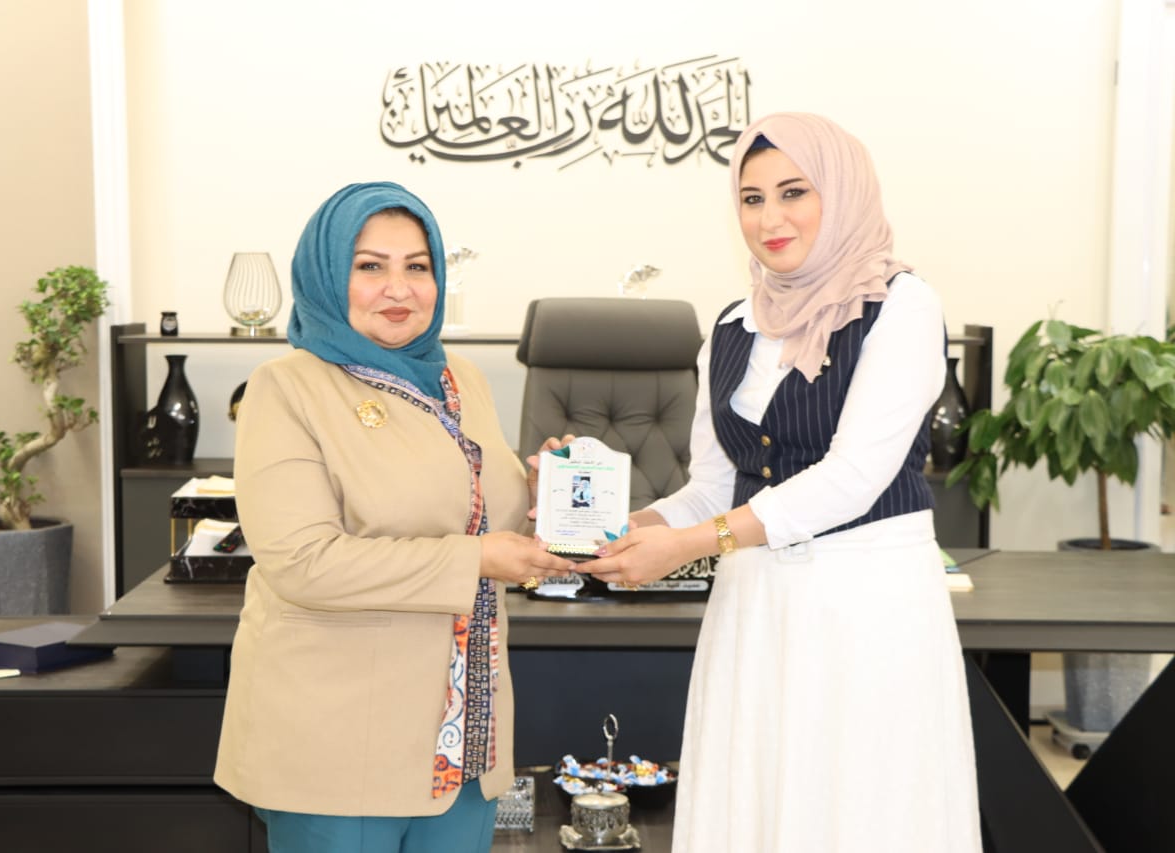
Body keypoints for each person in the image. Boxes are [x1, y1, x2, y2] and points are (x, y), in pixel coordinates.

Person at [583, 113, 982, 852]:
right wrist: (614, 526)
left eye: (794, 192)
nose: (770, 219)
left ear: (842, 191)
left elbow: (854, 476)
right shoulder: (733, 326)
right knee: (757, 804)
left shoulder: (902, 306)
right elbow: (713, 486)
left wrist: (693, 544)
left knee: (860, 809)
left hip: (864, 608)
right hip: (756, 608)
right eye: (751, 198)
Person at [214, 181, 574, 853]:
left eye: (417, 266)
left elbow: (477, 520)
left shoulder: (461, 377)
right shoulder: (286, 387)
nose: (399, 288)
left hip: (464, 737)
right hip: (338, 745)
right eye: (370, 266)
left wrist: (540, 495)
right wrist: (478, 558)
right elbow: (303, 563)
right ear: (328, 275)